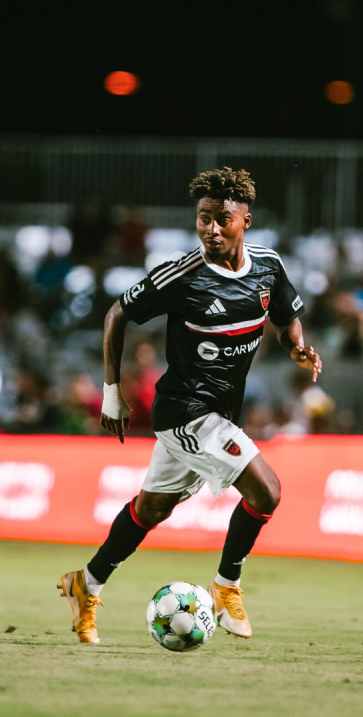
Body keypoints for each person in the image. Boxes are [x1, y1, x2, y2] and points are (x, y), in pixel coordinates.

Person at [58, 167, 322, 644]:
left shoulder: (268, 266)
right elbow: (117, 313)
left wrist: (297, 347)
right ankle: (226, 587)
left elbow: (285, 318)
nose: (211, 229)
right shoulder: (183, 275)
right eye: (203, 218)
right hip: (186, 413)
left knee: (152, 508)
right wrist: (113, 391)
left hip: (220, 414)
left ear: (245, 220)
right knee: (267, 491)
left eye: (222, 219)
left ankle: (86, 583)